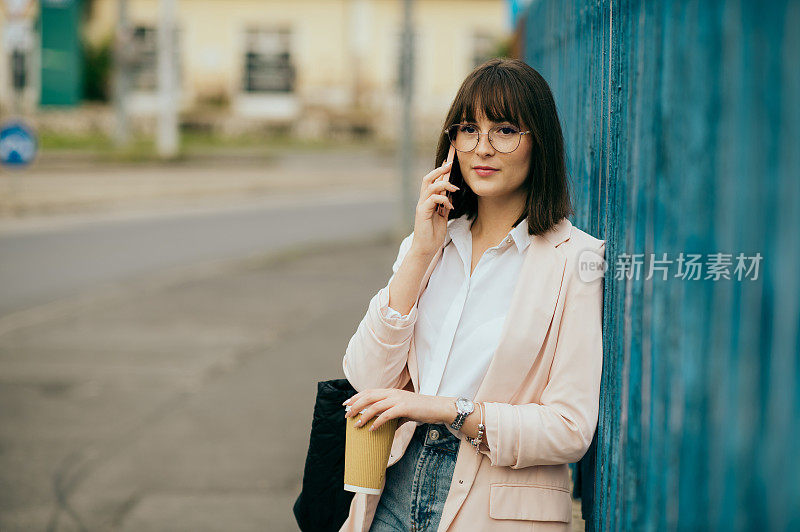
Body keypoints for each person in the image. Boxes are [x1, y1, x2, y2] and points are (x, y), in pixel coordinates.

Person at [340, 57, 606, 532]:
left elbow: (570, 429)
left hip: (496, 503)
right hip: (395, 485)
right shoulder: (431, 244)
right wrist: (421, 251)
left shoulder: (576, 260)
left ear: (538, 142)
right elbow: (365, 374)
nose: (482, 148)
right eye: (468, 129)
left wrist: (447, 409)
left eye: (504, 130)